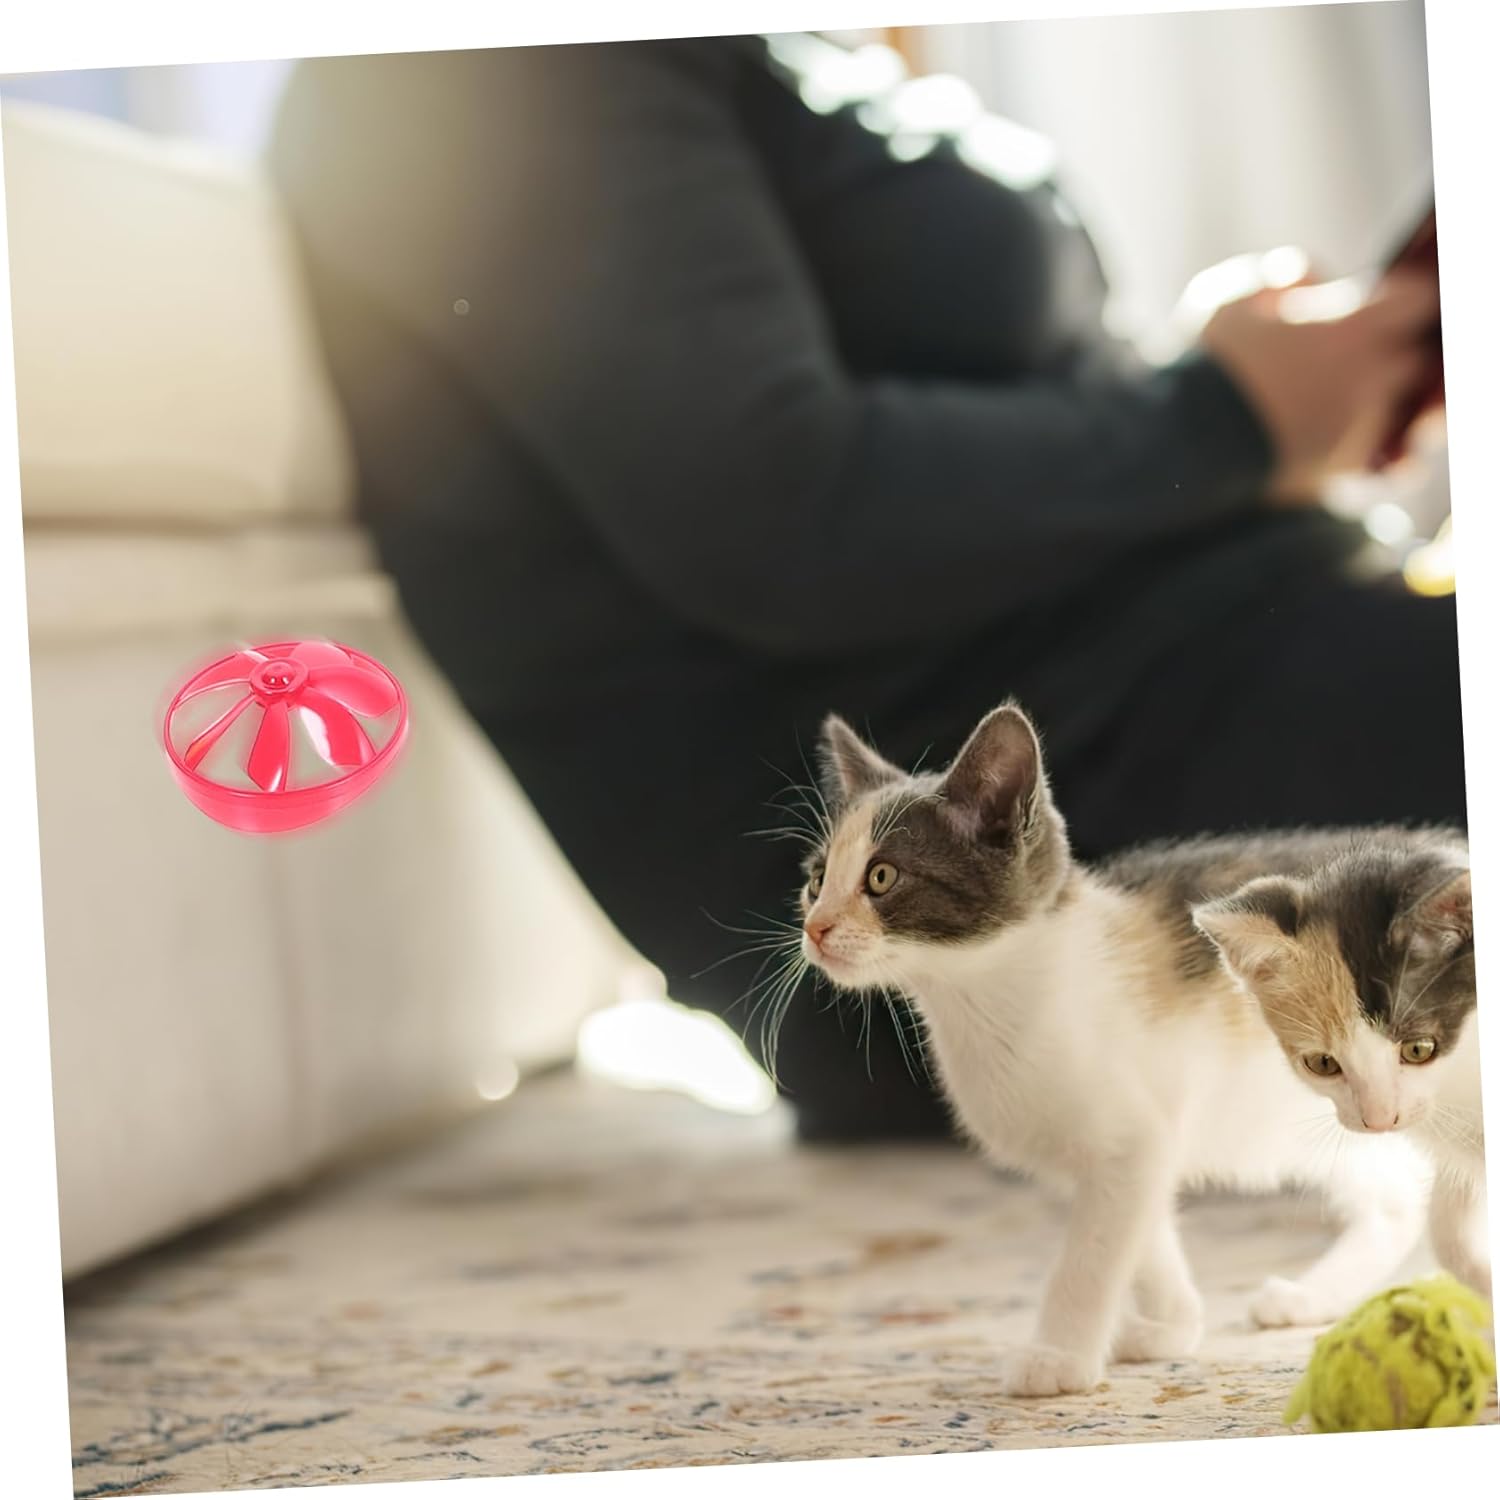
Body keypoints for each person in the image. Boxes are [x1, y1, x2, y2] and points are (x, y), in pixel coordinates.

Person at [266, 33, 1463, 1143]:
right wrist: (1218, 420)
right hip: (1022, 844)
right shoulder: (477, 65)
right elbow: (772, 513)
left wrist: (1241, 406)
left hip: (1187, 661)